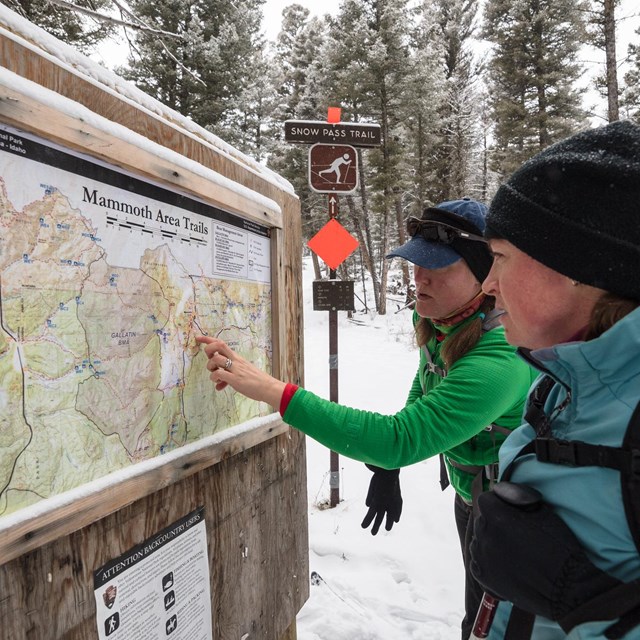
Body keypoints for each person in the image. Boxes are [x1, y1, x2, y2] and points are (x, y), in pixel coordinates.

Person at [196, 198, 537, 640]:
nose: (418, 278)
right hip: (471, 497)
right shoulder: (444, 321)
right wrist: (390, 468)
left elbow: (399, 437)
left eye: (438, 267)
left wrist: (272, 391)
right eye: (415, 264)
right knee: (475, 618)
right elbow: (425, 384)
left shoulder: (500, 359)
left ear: (485, 277)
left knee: (497, 629)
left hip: (514, 519)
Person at [467, 120, 640, 639]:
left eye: (499, 257)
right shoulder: (561, 377)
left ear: (579, 267)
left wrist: (587, 602)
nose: (489, 285)